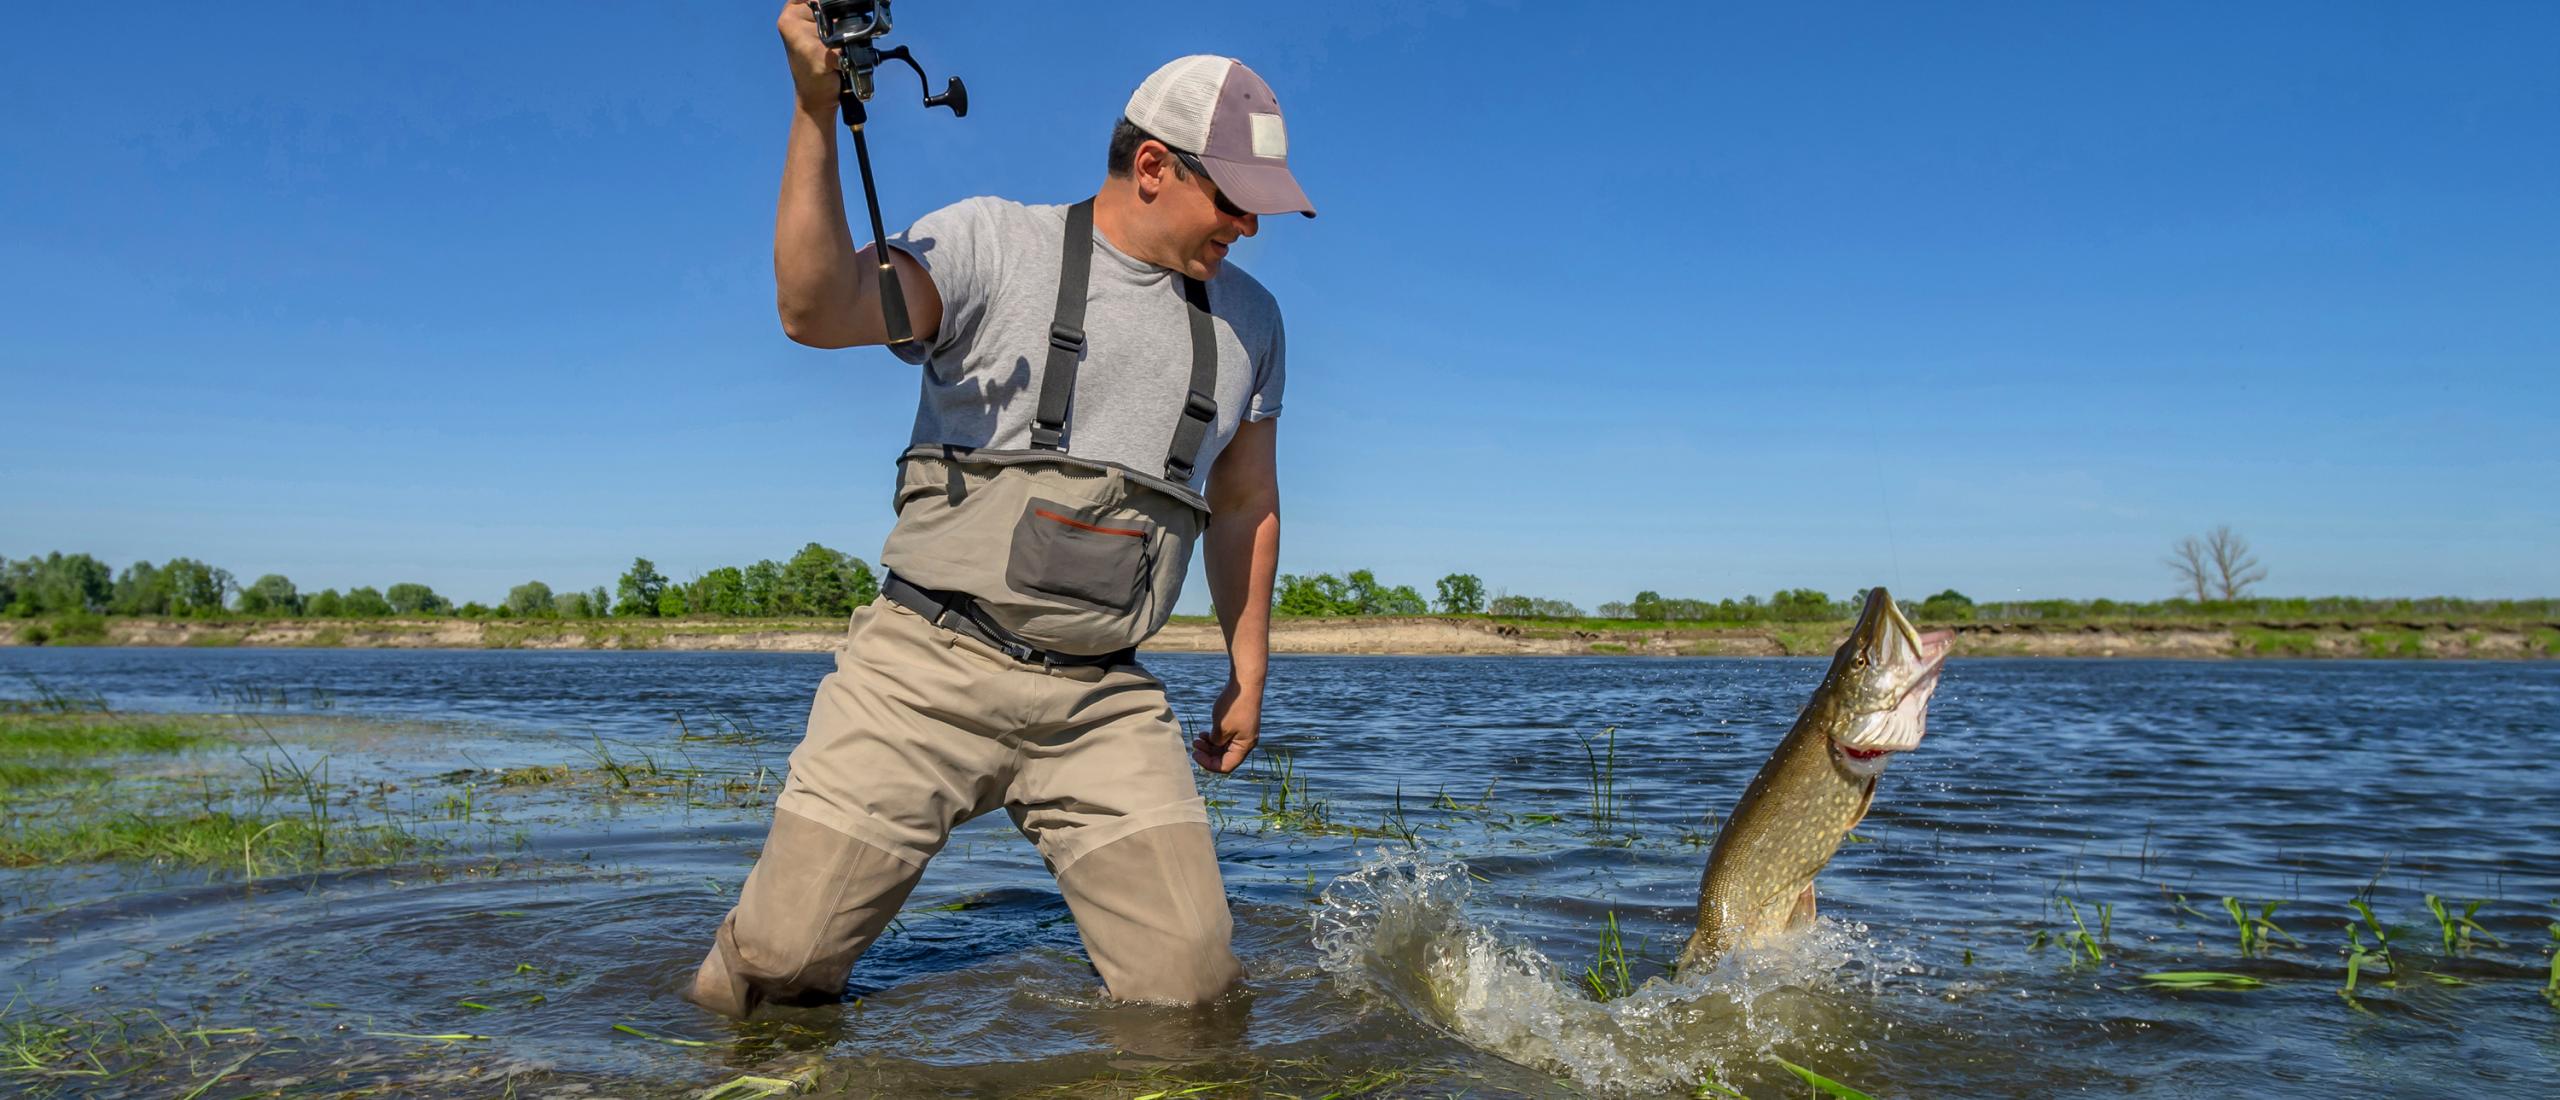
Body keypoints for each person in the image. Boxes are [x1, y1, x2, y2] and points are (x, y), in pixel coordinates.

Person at [684, 4, 1313, 1018]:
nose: (1248, 229)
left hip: (1102, 698)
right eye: (1235, 201)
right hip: (923, 668)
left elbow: (1244, 501)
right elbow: (812, 308)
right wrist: (814, 112)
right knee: (774, 968)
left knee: (1194, 998)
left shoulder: (1253, 323)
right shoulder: (991, 243)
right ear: (1152, 165)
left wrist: (1248, 672)